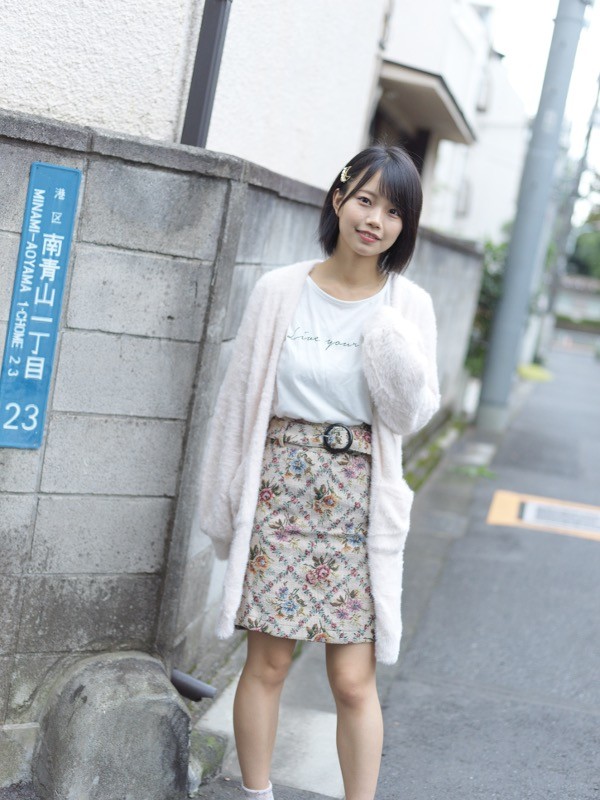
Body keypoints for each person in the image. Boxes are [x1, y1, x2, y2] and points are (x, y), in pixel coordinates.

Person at [198, 144, 440, 800]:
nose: (376, 220)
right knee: (268, 663)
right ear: (338, 198)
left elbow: (410, 415)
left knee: (354, 681)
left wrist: (390, 347)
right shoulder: (279, 290)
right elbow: (237, 401)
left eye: (394, 212)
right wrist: (222, 502)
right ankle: (256, 795)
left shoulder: (408, 305)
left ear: (405, 226)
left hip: (356, 501)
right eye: (366, 200)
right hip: (278, 490)